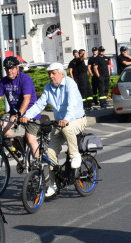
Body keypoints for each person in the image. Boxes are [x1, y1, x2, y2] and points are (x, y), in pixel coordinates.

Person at [21, 63, 87, 198]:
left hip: (77, 119)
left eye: (53, 73)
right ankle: (54, 183)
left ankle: (75, 155)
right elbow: (40, 104)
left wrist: (67, 119)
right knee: (50, 153)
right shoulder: (48, 88)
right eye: (49, 73)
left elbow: (72, 104)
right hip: (60, 124)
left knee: (68, 128)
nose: (51, 76)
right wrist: (27, 115)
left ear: (62, 74)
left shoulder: (70, 84)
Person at [0, 55, 40, 160]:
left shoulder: (25, 79)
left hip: (30, 112)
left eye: (12, 68)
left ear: (17, 68)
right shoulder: (4, 81)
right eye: (7, 69)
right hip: (14, 113)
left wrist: (18, 115)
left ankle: (38, 166)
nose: (9, 71)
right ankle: (18, 146)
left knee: (30, 139)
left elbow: (27, 99)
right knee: (1, 125)